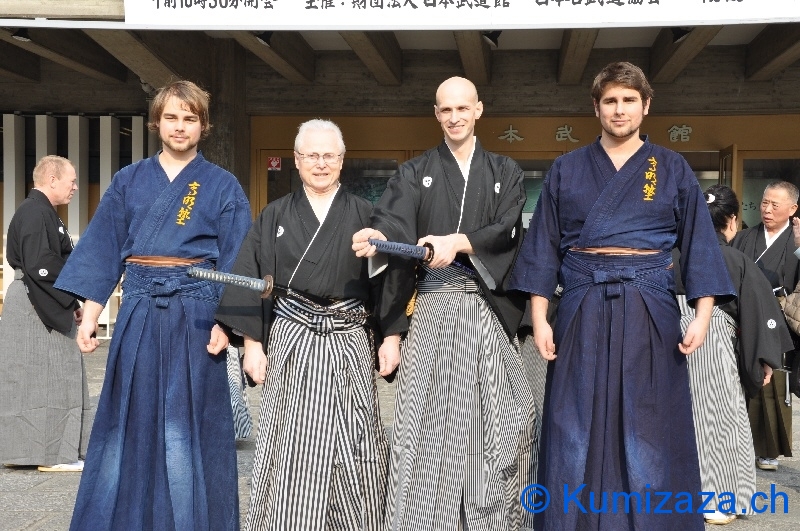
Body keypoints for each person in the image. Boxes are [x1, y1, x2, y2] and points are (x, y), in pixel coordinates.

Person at [509, 62, 736, 531]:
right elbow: (543, 247)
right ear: (596, 108)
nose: (619, 109)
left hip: (649, 301)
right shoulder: (566, 169)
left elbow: (698, 244)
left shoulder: (670, 168)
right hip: (581, 302)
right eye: (610, 100)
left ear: (646, 106)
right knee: (574, 420)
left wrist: (702, 314)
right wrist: (540, 316)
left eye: (629, 100)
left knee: (649, 420)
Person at [53, 80, 252, 530]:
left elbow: (240, 255)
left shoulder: (222, 185)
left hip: (198, 314)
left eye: (190, 118)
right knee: (129, 418)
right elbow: (104, 247)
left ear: (203, 126)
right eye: (171, 117)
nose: (180, 127)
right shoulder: (129, 180)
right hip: (140, 308)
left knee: (191, 424)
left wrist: (230, 322)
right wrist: (90, 312)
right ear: (156, 122)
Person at [352, 76, 535, 530]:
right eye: (445, 110)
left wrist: (459, 242)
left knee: (502, 418)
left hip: (484, 308)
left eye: (462, 108)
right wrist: (380, 239)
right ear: (436, 115)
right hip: (432, 310)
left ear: (478, 111)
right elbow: (393, 222)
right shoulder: (415, 172)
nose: (454, 117)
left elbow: (508, 228)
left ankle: (490, 516)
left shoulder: (505, 171)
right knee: (427, 424)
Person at [215, 119, 389, 530]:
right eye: (312, 155)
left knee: (355, 438)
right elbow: (251, 276)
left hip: (348, 336)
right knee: (289, 439)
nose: (321, 163)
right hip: (292, 336)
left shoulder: (367, 215)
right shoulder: (275, 214)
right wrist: (254, 345)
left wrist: (392, 336)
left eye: (329, 155)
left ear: (342, 161)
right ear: (297, 161)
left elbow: (389, 283)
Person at [674, 184, 791, 525]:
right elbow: (757, 311)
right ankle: (715, 499)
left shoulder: (668, 255)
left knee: (674, 419)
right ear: (732, 221)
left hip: (666, 341)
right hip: (711, 341)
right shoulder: (733, 258)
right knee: (718, 421)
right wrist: (763, 359)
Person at [0, 155, 88, 472]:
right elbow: (42, 265)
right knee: (48, 377)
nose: (76, 186)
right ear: (52, 179)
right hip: (34, 301)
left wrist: (73, 303)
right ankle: (51, 455)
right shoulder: (36, 212)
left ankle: (38, 452)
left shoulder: (41, 212)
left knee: (45, 377)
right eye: (72, 180)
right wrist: (74, 292)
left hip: (38, 296)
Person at [732, 180, 798, 471]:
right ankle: (736, 442)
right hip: (744, 314)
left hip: (779, 318)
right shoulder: (745, 237)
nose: (767, 209)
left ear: (793, 208)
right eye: (764, 203)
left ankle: (766, 449)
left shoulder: (796, 240)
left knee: (772, 382)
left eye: (775, 204)